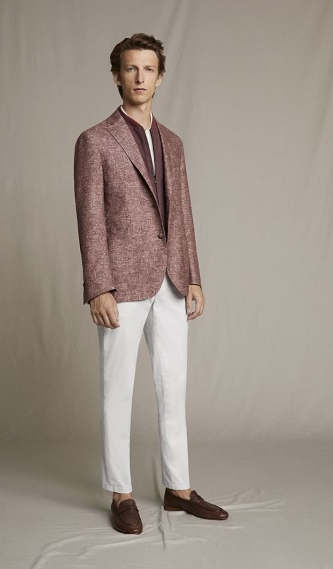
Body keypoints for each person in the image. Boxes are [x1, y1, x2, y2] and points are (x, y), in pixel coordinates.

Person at [74, 33, 228, 534]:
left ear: (159, 78)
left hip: (171, 280)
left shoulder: (174, 143)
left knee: (173, 385)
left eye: (148, 69)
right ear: (116, 76)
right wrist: (98, 286)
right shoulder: (95, 140)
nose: (139, 77)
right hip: (120, 282)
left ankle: (178, 488)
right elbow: (90, 219)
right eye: (130, 68)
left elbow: (182, 213)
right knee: (116, 389)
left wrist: (194, 277)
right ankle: (121, 493)